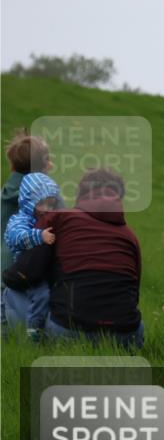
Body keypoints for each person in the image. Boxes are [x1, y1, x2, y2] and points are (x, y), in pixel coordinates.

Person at [37, 168, 144, 349]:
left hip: (70, 330)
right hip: (126, 336)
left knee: (15, 291)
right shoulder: (130, 237)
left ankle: (22, 340)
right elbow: (135, 292)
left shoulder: (61, 219)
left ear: (82, 193)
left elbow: (31, 267)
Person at [1, 130, 51, 336]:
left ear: (12, 165)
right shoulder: (45, 201)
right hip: (27, 278)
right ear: (45, 166)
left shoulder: (3, 196)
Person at [2, 172, 61, 340]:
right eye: (42, 204)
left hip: (43, 266)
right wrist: (39, 236)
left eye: (51, 204)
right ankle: (34, 328)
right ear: (29, 202)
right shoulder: (20, 219)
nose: (47, 209)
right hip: (27, 269)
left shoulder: (46, 218)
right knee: (42, 295)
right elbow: (15, 237)